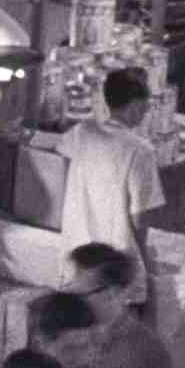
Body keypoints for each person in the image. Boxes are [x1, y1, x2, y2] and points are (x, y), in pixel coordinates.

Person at [58, 67, 167, 263]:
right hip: (117, 260)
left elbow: (53, 147)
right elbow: (140, 217)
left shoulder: (82, 131)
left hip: (76, 251)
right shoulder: (141, 150)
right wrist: (144, 260)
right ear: (135, 106)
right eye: (146, 104)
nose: (147, 110)